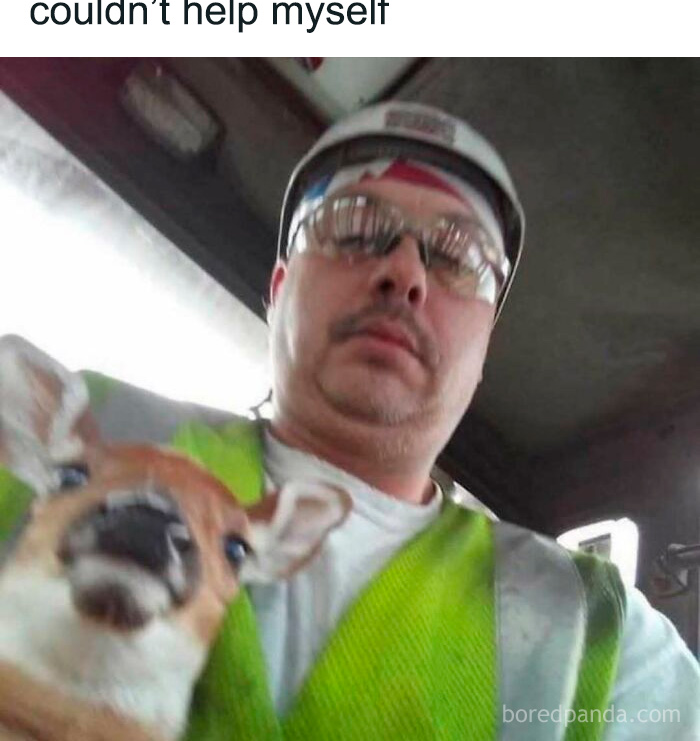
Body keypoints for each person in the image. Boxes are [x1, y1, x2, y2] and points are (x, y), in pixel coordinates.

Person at [1, 101, 698, 740]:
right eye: (354, 229)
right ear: (279, 291)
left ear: (486, 344)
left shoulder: (600, 631)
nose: (404, 273)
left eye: (457, 257)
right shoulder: (57, 424)